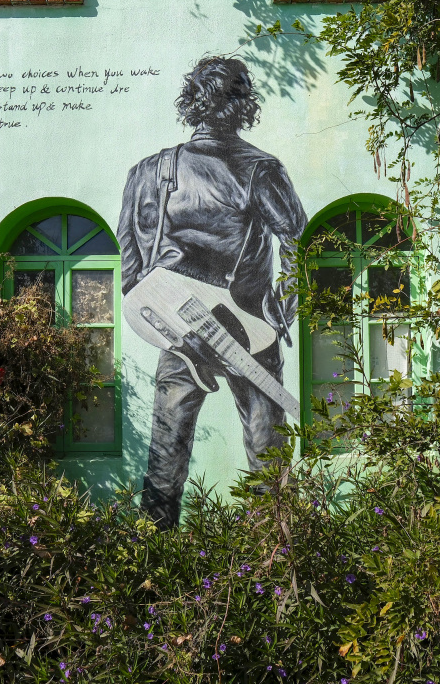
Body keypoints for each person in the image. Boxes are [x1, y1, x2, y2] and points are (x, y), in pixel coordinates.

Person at [118, 56, 307, 528]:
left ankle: (150, 557)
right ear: (243, 105)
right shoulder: (260, 169)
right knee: (268, 459)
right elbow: (298, 245)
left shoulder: (147, 171)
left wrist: (166, 325)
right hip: (250, 328)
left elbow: (130, 266)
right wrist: (280, 314)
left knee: (166, 456)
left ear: (192, 103)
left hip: (179, 333)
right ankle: (274, 554)